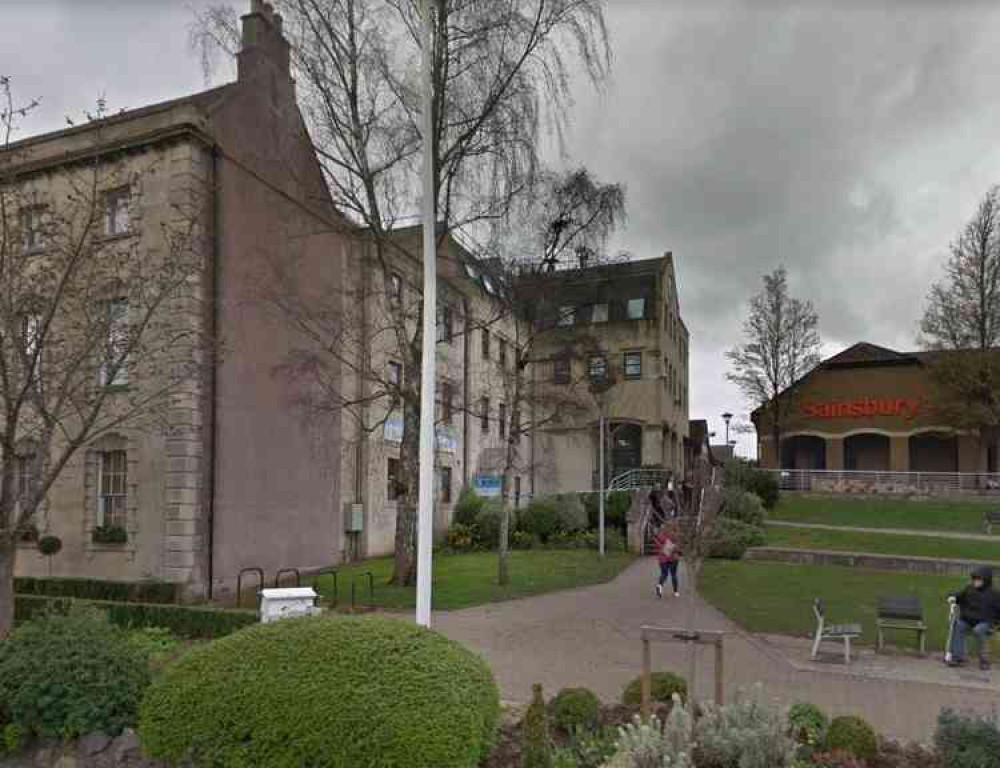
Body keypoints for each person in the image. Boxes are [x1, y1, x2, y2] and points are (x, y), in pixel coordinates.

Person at [947, 567, 1000, 670]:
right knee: (958, 625)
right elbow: (958, 596)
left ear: (985, 580)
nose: (975, 581)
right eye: (974, 579)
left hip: (985, 622)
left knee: (978, 630)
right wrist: (952, 597)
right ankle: (958, 658)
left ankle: (984, 660)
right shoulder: (969, 588)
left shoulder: (995, 594)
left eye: (978, 579)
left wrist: (997, 624)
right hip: (968, 620)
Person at [654, 523, 681, 598]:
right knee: (674, 575)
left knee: (664, 574)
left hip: (663, 558)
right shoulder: (673, 536)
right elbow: (677, 547)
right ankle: (675, 592)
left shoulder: (659, 536)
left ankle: (659, 586)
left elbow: (659, 547)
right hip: (673, 558)